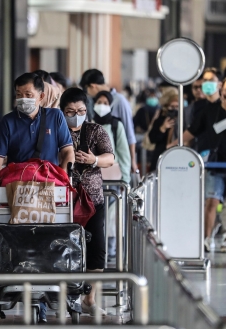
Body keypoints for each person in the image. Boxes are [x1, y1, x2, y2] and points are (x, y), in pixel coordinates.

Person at [60, 87, 114, 317]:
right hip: (62, 201)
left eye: (81, 110)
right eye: (70, 111)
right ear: (62, 111)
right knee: (60, 249)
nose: (76, 115)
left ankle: (89, 299)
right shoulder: (55, 130)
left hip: (93, 201)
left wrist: (93, 159)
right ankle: (61, 297)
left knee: (97, 249)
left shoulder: (95, 130)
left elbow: (110, 157)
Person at [188, 76, 226, 253]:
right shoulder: (209, 110)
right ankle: (207, 239)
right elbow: (192, 131)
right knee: (211, 202)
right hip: (215, 164)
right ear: (221, 89)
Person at [0, 72, 74, 180]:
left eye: (28, 95)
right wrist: (0, 182)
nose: (23, 99)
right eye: (19, 94)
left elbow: (68, 151)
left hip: (50, 183)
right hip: (18, 185)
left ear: (41, 96)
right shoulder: (8, 121)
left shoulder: (55, 116)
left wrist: (61, 177)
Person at [79, 69, 138, 174]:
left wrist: (132, 161)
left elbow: (129, 133)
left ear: (92, 86)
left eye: (87, 89)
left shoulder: (120, 101)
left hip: (116, 162)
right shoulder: (92, 102)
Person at [93, 91, 131, 184]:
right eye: (99, 102)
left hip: (112, 178)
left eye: (105, 103)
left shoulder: (116, 125)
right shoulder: (89, 124)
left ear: (111, 106)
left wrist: (125, 179)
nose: (102, 106)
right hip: (92, 178)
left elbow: (124, 154)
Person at [148, 88, 179, 172]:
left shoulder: (183, 121)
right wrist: (163, 128)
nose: (175, 109)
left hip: (177, 158)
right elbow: (152, 139)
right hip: (161, 156)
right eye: (172, 106)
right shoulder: (160, 120)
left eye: (177, 106)